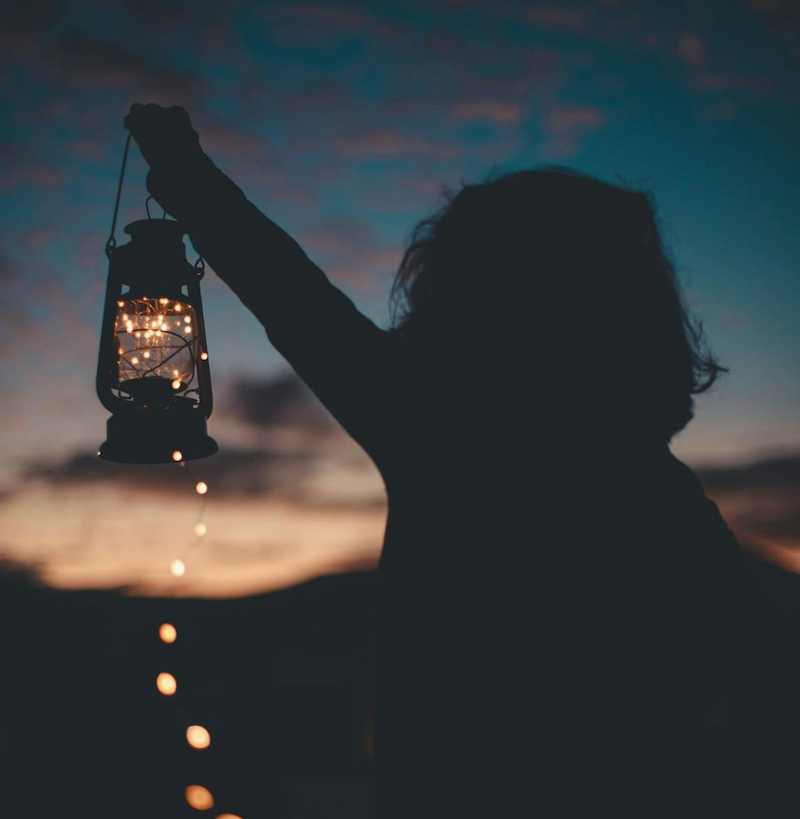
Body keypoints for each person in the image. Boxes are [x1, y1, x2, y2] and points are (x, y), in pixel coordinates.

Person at [124, 104, 793, 815]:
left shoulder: (441, 435)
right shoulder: (661, 494)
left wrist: (184, 173)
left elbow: (291, 296)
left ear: (469, 294)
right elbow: (764, 685)